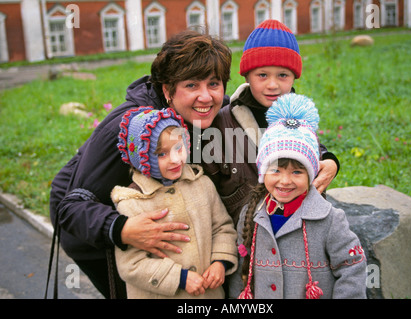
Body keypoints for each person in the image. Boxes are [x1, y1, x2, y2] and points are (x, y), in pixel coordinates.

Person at [49, 30, 232, 298]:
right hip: (92, 232)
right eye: (191, 85)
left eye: (214, 84)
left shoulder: (210, 110)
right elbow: (71, 207)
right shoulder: (131, 128)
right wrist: (120, 229)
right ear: (167, 89)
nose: (206, 97)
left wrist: (318, 156)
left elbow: (260, 121)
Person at [228, 93, 367, 299]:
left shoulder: (330, 220)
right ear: (262, 172)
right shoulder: (250, 215)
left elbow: (352, 268)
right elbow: (240, 272)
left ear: (311, 174)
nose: (285, 181)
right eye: (276, 170)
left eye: (297, 172)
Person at [203, 20, 340, 224]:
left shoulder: (298, 116)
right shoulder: (222, 122)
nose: (273, 85)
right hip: (245, 235)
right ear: (247, 75)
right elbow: (209, 188)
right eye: (263, 75)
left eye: (283, 75)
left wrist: (330, 160)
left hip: (300, 231)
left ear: (294, 77)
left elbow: (311, 148)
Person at [111, 107, 237, 298]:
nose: (176, 159)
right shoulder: (132, 203)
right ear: (142, 158)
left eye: (179, 148)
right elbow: (131, 265)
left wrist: (221, 261)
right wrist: (179, 277)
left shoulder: (202, 184)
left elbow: (223, 227)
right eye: (162, 154)